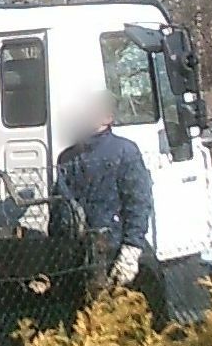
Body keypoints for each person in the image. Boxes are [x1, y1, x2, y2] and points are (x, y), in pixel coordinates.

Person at [53, 90, 165, 325]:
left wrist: (132, 248)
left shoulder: (125, 152)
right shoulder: (68, 158)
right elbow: (61, 210)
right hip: (81, 254)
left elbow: (138, 202)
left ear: (109, 117)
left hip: (116, 247)